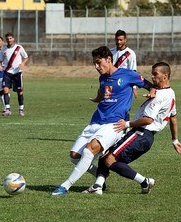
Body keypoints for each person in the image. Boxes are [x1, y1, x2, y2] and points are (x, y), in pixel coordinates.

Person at [51, 46, 155, 196]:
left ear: (108, 60)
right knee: (74, 156)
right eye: (94, 63)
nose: (96, 67)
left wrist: (152, 91)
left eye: (99, 63)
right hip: (95, 122)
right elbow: (103, 91)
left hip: (114, 125)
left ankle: (64, 187)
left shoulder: (128, 75)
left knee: (89, 150)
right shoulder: (102, 78)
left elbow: (149, 86)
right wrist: (97, 98)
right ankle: (101, 178)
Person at [83, 62, 181, 195]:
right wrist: (175, 140)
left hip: (141, 134)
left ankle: (144, 181)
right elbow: (173, 118)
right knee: (104, 153)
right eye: (152, 73)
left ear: (165, 76)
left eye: (155, 74)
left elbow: (148, 120)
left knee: (109, 159)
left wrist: (127, 124)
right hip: (142, 135)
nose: (152, 77)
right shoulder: (170, 93)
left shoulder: (161, 96)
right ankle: (97, 186)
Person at [0, 32, 29, 116]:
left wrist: (23, 63)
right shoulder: (4, 50)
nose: (9, 40)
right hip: (7, 73)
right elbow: (0, 60)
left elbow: (26, 57)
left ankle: (21, 109)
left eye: (10, 38)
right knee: (5, 90)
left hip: (17, 73)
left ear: (13, 39)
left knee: (20, 92)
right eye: (7, 39)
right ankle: (7, 109)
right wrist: (0, 66)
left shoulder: (19, 48)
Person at [110, 29, 138, 98]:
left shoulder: (130, 53)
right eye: (117, 40)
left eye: (121, 40)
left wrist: (134, 87)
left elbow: (133, 71)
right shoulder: (110, 52)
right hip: (111, 83)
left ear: (125, 40)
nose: (118, 42)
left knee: (122, 106)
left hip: (124, 84)